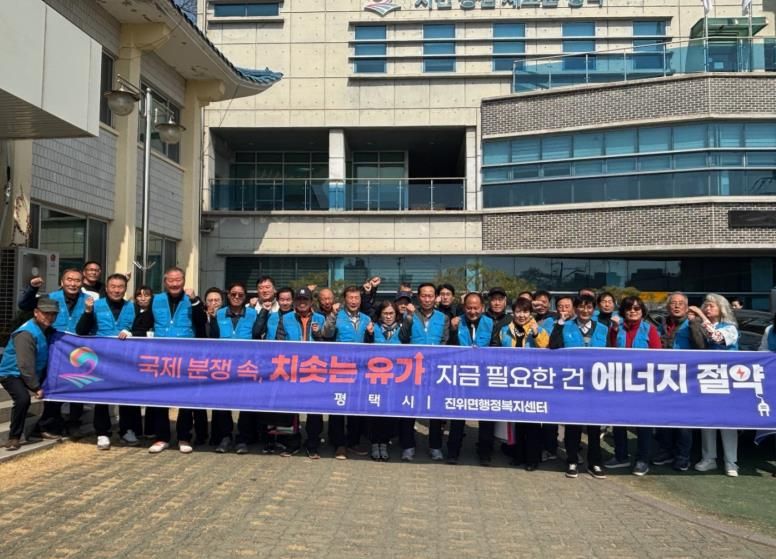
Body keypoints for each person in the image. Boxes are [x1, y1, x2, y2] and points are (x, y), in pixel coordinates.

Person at [76, 273, 142, 449]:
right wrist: (87, 312)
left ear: (125, 289)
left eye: (120, 287)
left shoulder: (132, 307)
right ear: (106, 288)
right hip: (102, 358)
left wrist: (131, 332)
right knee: (102, 396)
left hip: (126, 359)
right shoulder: (95, 306)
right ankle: (102, 433)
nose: (116, 290)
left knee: (126, 396)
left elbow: (142, 328)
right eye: (113, 286)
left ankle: (127, 430)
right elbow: (81, 330)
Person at [20, 269, 88, 437]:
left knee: (78, 386)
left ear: (82, 283)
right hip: (54, 350)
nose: (73, 284)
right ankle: (48, 424)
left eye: (77, 280)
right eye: (69, 280)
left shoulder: (88, 301)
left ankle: (74, 423)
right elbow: (24, 306)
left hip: (79, 352)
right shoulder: (51, 297)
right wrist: (32, 289)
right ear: (61, 282)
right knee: (53, 386)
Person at [147, 267, 206, 454]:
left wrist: (195, 301)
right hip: (161, 357)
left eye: (178, 280)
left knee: (185, 399)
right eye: (171, 280)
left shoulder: (193, 300)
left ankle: (184, 437)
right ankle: (162, 437)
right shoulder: (156, 300)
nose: (174, 284)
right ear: (165, 282)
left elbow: (202, 323)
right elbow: (145, 322)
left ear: (184, 281)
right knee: (160, 399)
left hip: (186, 357)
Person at [549, 294, 609, 480]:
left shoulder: (603, 328)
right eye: (581, 307)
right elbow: (554, 347)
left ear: (594, 309)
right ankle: (572, 460)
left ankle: (595, 463)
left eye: (589, 307)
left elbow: (611, 354)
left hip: (595, 384)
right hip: (572, 383)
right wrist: (559, 324)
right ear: (575, 309)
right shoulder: (565, 326)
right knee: (572, 425)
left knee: (594, 427)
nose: (585, 310)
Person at [606, 295, 661, 476]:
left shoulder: (649, 329)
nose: (632, 311)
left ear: (642, 311)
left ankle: (642, 460)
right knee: (618, 421)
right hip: (620, 382)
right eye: (629, 308)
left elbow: (658, 355)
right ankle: (620, 456)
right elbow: (610, 350)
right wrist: (614, 330)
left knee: (643, 423)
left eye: (636, 308)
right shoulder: (617, 328)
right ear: (623, 311)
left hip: (642, 384)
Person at [495, 298, 550, 471]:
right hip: (512, 382)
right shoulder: (505, 330)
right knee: (516, 421)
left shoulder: (539, 330)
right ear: (513, 312)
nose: (521, 315)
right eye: (518, 311)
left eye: (525, 312)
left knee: (532, 423)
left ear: (530, 313)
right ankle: (518, 456)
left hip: (533, 382)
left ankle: (532, 459)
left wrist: (536, 334)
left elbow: (546, 348)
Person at [653, 292, 704, 472]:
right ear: (668, 307)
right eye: (673, 303)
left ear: (686, 306)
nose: (676, 306)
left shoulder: (693, 323)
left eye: (680, 303)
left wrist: (694, 323)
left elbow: (701, 346)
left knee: (683, 421)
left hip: (686, 378)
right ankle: (665, 451)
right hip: (664, 377)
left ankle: (683, 457)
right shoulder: (662, 324)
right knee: (664, 418)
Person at [398, 282, 450, 461]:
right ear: (418, 297)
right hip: (412, 368)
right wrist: (408, 318)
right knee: (409, 407)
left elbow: (444, 341)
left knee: (435, 409)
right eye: (424, 295)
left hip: (435, 369)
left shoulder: (443, 317)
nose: (427, 299)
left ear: (436, 298)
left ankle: (435, 446)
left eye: (430, 296)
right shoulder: (409, 314)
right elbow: (403, 338)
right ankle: (408, 446)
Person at [690, 294, 740, 477]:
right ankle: (709, 458)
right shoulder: (701, 326)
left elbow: (717, 338)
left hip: (727, 379)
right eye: (706, 305)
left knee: (728, 421)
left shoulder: (730, 328)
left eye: (712, 305)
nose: (707, 308)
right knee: (707, 420)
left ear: (721, 309)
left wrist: (702, 317)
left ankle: (731, 462)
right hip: (707, 376)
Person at [321, 286, 373, 459]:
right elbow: (326, 333)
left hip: (360, 369)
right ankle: (339, 444)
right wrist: (332, 315)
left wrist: (371, 333)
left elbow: (370, 343)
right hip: (339, 368)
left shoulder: (366, 319)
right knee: (338, 406)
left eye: (356, 298)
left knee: (355, 407)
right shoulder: (337, 316)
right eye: (350, 297)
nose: (353, 301)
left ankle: (353, 441)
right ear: (344, 299)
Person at [207, 282, 259, 453]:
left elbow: (258, 335)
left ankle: (243, 438)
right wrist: (212, 320)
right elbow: (213, 337)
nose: (236, 297)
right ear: (228, 295)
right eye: (233, 294)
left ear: (245, 297)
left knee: (246, 404)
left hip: (246, 364)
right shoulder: (219, 313)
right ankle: (225, 437)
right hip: (224, 364)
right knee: (223, 402)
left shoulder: (253, 314)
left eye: (240, 295)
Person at [0, 298, 58, 450]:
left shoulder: (46, 329)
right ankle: (14, 437)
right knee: (23, 399)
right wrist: (36, 387)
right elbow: (25, 365)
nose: (49, 317)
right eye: (46, 313)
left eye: (53, 314)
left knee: (57, 389)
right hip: (11, 373)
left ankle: (43, 427)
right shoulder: (26, 333)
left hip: (32, 372)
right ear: (36, 313)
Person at [276, 287, 326, 458]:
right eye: (299, 300)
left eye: (305, 300)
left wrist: (318, 334)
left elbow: (328, 343)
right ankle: (292, 443)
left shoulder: (320, 318)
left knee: (314, 410)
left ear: (311, 302)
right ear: (295, 302)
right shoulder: (286, 318)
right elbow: (279, 343)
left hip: (314, 369)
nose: (302, 303)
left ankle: (312, 444)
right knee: (290, 408)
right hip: (292, 369)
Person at [447, 292, 495, 466]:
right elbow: (449, 348)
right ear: (464, 307)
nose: (472, 311)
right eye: (469, 308)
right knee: (458, 415)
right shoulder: (456, 322)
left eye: (476, 308)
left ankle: (485, 453)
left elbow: (496, 346)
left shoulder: (490, 323)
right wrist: (453, 331)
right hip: (461, 375)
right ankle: (453, 452)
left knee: (486, 415)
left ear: (482, 307)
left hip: (485, 376)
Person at [368, 300, 402, 461]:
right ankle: (375, 443)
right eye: (385, 313)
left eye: (391, 313)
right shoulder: (372, 328)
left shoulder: (402, 329)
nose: (388, 317)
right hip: (375, 377)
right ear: (380, 315)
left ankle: (384, 443)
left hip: (395, 377)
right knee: (375, 411)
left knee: (389, 411)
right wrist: (369, 335)